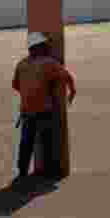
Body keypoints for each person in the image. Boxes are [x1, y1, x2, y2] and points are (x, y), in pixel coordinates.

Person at [12, 32, 76, 182]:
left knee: (26, 142)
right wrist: (72, 91)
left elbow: (15, 85)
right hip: (43, 109)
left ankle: (22, 172)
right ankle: (48, 172)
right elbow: (67, 76)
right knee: (47, 140)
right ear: (38, 47)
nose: (46, 48)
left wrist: (29, 93)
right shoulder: (48, 63)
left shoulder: (21, 64)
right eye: (44, 45)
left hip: (26, 110)